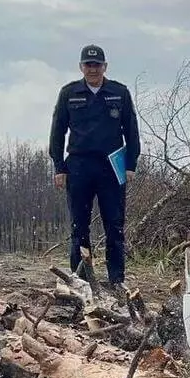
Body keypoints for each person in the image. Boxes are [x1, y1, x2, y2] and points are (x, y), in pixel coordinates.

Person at [49, 44, 140, 289]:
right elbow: (57, 132)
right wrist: (59, 167)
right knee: (79, 225)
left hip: (112, 166)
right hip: (79, 166)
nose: (93, 69)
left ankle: (117, 279)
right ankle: (81, 279)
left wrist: (131, 164)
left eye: (97, 65)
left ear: (104, 66)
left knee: (115, 224)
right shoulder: (69, 93)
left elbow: (131, 131)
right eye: (88, 65)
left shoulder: (119, 92)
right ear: (81, 67)